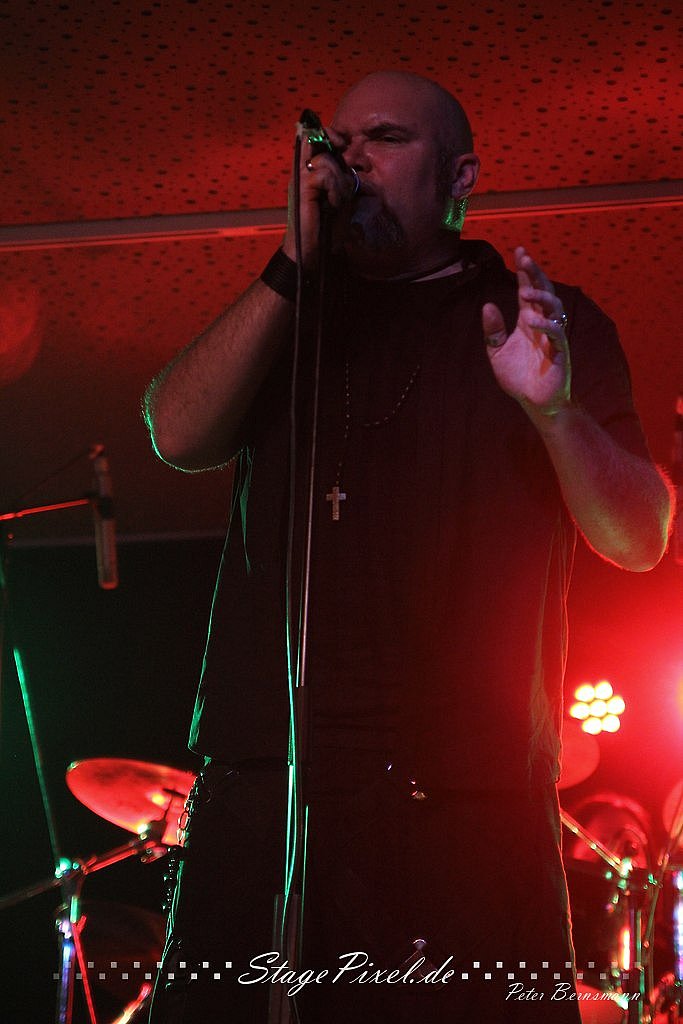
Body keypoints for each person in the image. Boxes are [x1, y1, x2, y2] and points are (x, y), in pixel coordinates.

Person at [143, 71, 672, 1023]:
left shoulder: (538, 317)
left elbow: (637, 538)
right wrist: (288, 263)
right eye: (338, 142)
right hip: (271, 786)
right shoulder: (289, 315)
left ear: (458, 176)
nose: (350, 160)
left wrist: (553, 413)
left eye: (384, 138)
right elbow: (174, 434)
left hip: (467, 798)